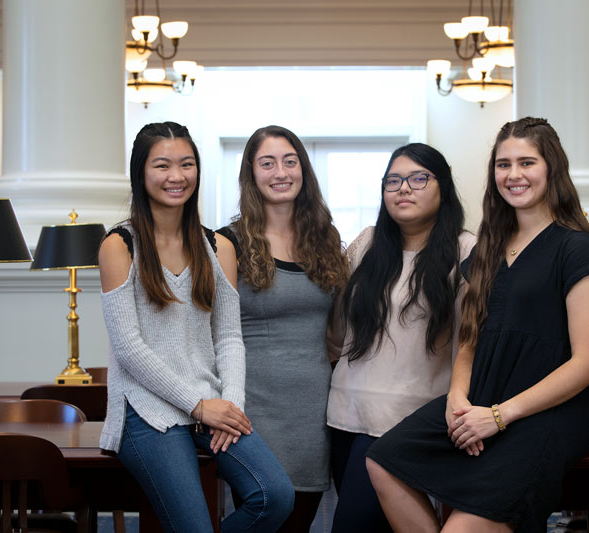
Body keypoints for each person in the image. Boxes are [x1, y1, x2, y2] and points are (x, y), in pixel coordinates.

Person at [365, 117, 589, 532]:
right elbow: (470, 340)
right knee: (384, 459)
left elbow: (588, 363)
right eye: (503, 164)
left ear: (552, 169)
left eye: (526, 163)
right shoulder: (487, 249)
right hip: (483, 397)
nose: (513, 175)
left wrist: (499, 417)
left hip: (551, 413)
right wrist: (457, 399)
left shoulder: (577, 247)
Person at [98, 121, 294, 532]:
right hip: (146, 411)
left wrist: (231, 406)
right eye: (162, 165)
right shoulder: (119, 246)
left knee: (274, 496)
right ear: (141, 172)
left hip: (212, 405)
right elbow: (130, 350)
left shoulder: (218, 247)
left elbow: (228, 336)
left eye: (186, 164)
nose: (176, 176)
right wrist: (197, 405)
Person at [326, 143, 477, 532]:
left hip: (409, 419)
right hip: (346, 413)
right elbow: (338, 329)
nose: (403, 188)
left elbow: (471, 342)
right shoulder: (367, 244)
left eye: (417, 178)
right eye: (392, 181)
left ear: (442, 188)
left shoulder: (465, 251)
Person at [216, 125, 348, 532]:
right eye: (267, 162)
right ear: (251, 174)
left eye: (290, 161)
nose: (281, 172)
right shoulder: (227, 242)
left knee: (300, 520)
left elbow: (336, 328)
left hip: (312, 408)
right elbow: (216, 332)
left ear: (303, 170)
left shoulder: (326, 239)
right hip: (251, 408)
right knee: (264, 509)